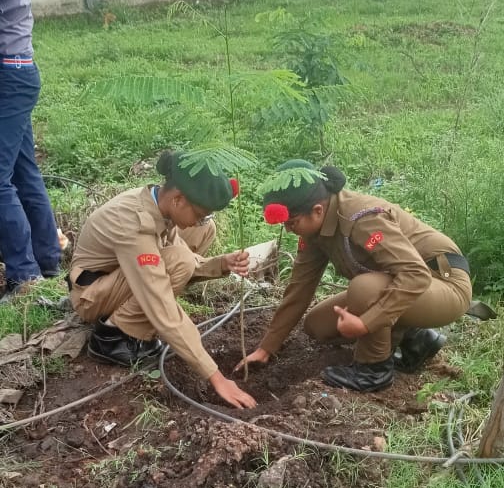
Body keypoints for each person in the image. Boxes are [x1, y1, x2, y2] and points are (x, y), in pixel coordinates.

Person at [237, 160, 472, 393]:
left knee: (364, 289)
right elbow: (299, 289)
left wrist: (365, 323)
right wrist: (266, 348)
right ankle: (416, 338)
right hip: (405, 285)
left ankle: (373, 371)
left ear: (317, 210)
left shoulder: (361, 219)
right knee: (317, 325)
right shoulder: (315, 229)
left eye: (292, 222)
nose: (289, 229)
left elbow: (415, 274)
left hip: (444, 283)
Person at [69, 148, 256, 410]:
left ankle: (126, 325)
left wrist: (220, 264)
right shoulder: (134, 222)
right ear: (178, 200)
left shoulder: (158, 206)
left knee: (185, 253)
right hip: (91, 297)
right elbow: (159, 299)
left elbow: (180, 259)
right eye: (200, 215)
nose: (200, 222)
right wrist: (216, 376)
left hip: (113, 282)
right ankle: (111, 336)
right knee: (179, 259)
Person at [0, 0, 61, 300]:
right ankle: (47, 259)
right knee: (24, 171)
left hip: (9, 75)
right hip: (17, 72)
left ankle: (24, 276)